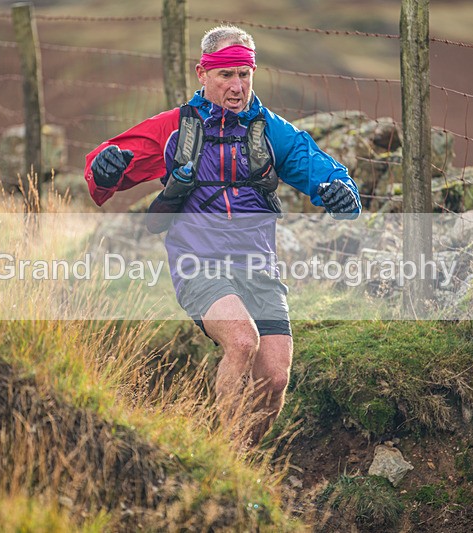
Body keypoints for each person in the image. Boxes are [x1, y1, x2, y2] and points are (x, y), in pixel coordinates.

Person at [85, 25, 361, 446]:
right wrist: (103, 169)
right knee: (242, 339)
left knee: (275, 375)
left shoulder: (270, 129)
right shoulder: (175, 128)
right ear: (202, 73)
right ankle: (225, 458)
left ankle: (244, 457)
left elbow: (318, 166)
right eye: (226, 75)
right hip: (199, 264)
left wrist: (340, 191)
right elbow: (105, 168)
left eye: (245, 75)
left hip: (258, 266)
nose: (238, 86)